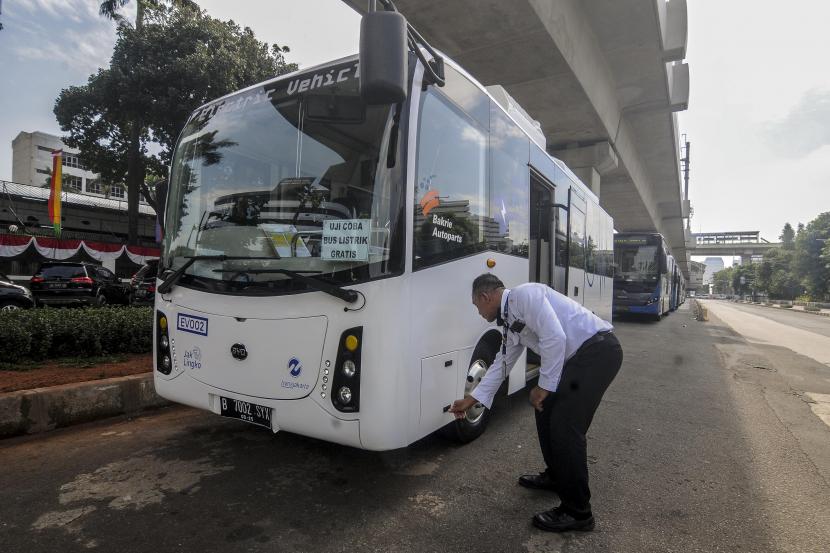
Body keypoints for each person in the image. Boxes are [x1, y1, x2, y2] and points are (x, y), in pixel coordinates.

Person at [449, 274, 623, 532]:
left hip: (597, 353)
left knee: (565, 428)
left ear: (486, 297)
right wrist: (471, 399)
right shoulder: (509, 322)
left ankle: (578, 512)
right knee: (545, 412)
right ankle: (556, 475)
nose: (478, 312)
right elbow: (502, 364)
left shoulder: (525, 295)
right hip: (577, 360)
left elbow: (555, 338)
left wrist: (543, 386)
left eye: (477, 305)